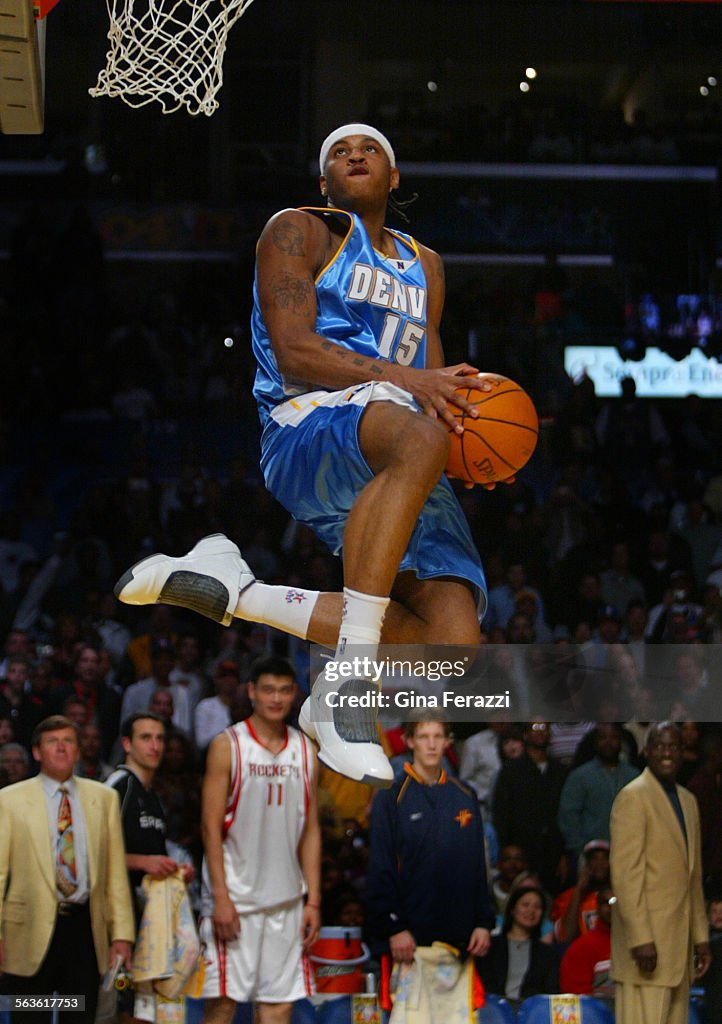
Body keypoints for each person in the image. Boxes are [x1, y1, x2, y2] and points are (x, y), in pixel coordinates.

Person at [115, 123, 498, 786]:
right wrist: (412, 395)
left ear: (395, 177)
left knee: (454, 654)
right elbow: (294, 349)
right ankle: (346, 697)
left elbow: (432, 386)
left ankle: (239, 590)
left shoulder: (425, 265)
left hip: (404, 443)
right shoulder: (297, 230)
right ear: (323, 182)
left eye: (370, 148)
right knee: (418, 437)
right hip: (307, 423)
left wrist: (474, 447)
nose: (355, 154)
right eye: (338, 152)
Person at [198, 655, 321, 1024]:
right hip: (235, 899)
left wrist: (313, 899)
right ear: (251, 692)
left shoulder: (306, 750)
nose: (276, 698)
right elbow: (209, 826)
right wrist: (220, 896)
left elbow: (310, 829)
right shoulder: (228, 745)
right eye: (268, 689)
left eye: (284, 690)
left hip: (286, 899)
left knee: (278, 1007)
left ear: (294, 694)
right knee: (222, 1004)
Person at [0, 715, 134, 1023]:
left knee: (79, 1014)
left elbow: (115, 872)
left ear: (77, 750)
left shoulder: (104, 798)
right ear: (37, 752)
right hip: (27, 929)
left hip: (84, 929)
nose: (61, 748)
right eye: (52, 741)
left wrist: (122, 934)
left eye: (68, 741)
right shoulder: (9, 800)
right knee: (29, 1015)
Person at [366, 714, 494, 964]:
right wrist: (394, 927)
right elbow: (382, 865)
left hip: (460, 939)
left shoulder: (465, 794)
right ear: (409, 741)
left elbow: (477, 864)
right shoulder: (391, 796)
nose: (432, 745)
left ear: (448, 741)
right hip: (408, 939)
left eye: (438, 736)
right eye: (424, 737)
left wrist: (482, 921)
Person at [610, 721, 711, 1024]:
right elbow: (626, 876)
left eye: (674, 746)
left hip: (678, 949)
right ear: (646, 751)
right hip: (646, 948)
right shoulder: (633, 797)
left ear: (683, 752)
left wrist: (701, 937)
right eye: (660, 746)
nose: (667, 753)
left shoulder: (688, 801)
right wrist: (641, 938)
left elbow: (693, 878)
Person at [106, 712, 192, 919]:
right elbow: (92, 852)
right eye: (145, 738)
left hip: (146, 909)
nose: (155, 746)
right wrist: (142, 862)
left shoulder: (154, 796)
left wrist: (173, 870)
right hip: (116, 910)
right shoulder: (117, 786)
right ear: (127, 744)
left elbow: (152, 854)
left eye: (160, 738)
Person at [558, 723, 639, 861]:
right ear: (595, 743)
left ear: (621, 742)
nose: (608, 742)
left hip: (629, 853)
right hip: (589, 855)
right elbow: (569, 815)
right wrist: (580, 850)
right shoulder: (580, 776)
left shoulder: (634, 776)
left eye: (614, 738)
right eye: (603, 738)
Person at [477, 884, 560, 1011]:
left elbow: (550, 993)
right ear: (512, 909)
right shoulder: (490, 946)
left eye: (537, 907)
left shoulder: (548, 954)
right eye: (525, 905)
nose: (531, 911)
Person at [559, 886, 614, 996]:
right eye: (606, 902)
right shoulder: (582, 947)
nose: (611, 907)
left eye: (616, 901)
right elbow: (576, 998)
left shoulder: (641, 943)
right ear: (597, 908)